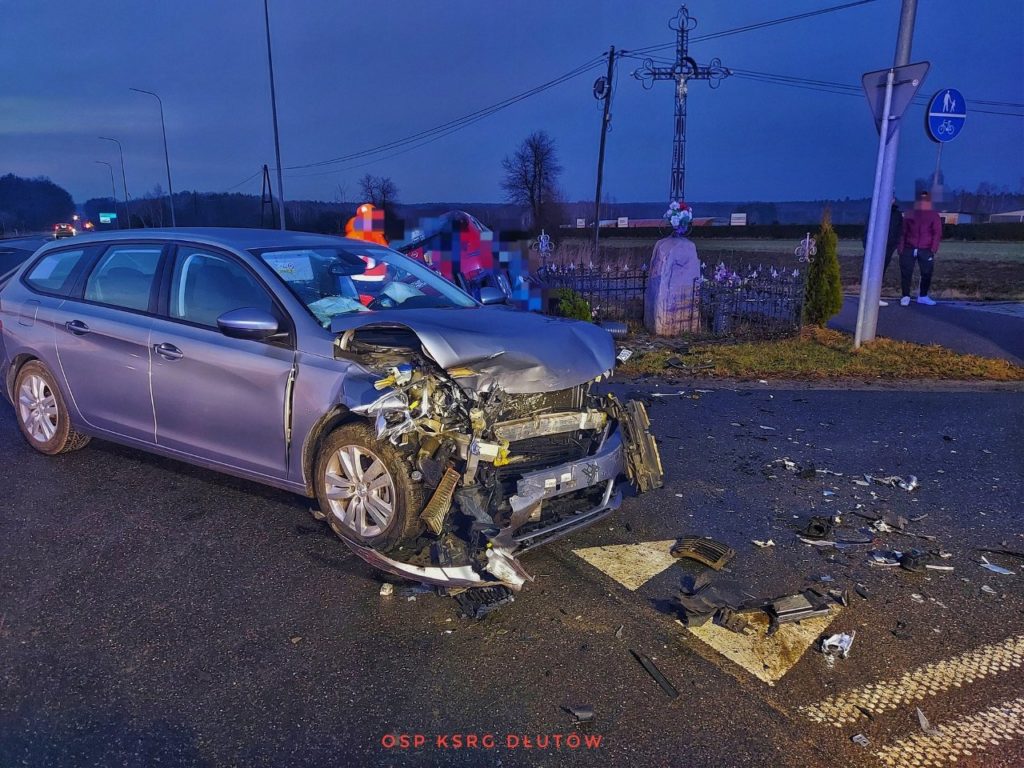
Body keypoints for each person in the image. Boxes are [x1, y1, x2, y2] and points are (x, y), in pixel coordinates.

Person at [897, 190, 942, 306]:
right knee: (906, 273)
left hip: (926, 249)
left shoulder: (934, 215)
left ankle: (923, 296)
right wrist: (901, 247)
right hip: (908, 248)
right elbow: (903, 231)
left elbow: (937, 233)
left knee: (926, 273)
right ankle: (905, 295)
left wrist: (933, 248)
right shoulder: (910, 214)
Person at [863, 198, 902, 306]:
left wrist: (894, 245)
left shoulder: (897, 214)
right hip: (874, 248)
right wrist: (867, 245)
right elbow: (868, 229)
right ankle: (867, 297)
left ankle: (875, 297)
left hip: (888, 248)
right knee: (871, 273)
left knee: (881, 273)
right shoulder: (875, 211)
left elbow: (899, 231)